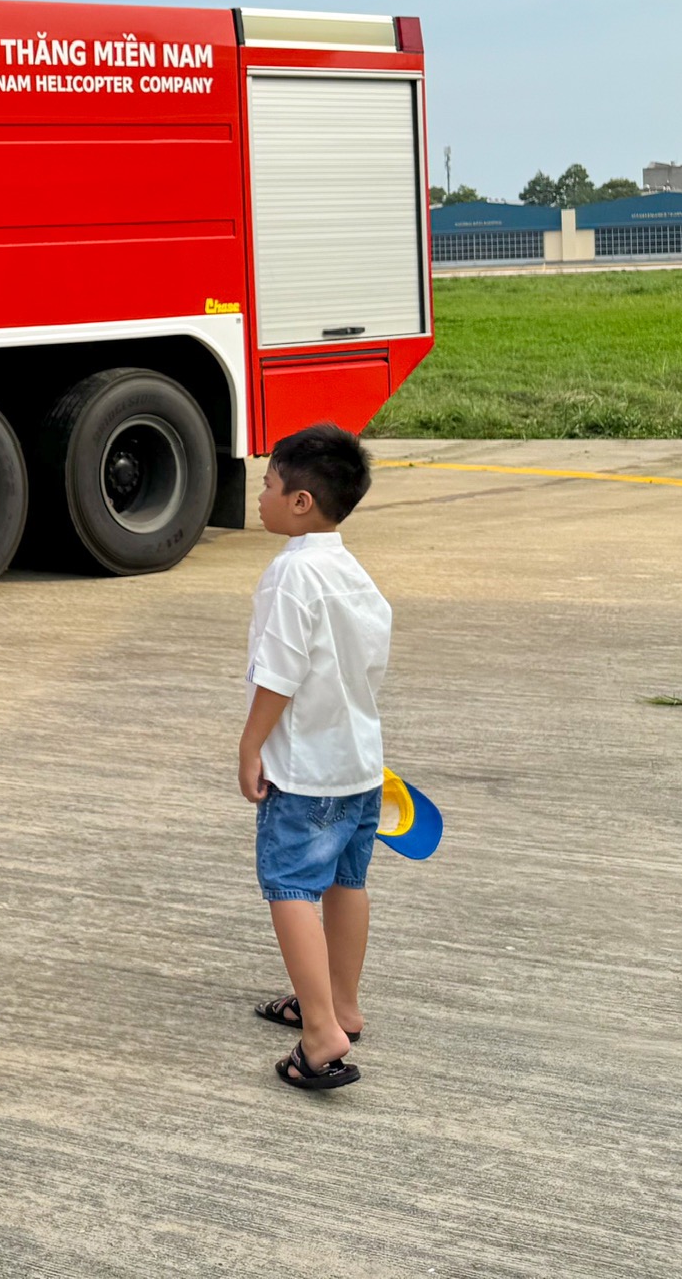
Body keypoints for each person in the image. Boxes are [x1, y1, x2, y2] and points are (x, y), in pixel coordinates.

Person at [240, 423, 390, 1092]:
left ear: (302, 501)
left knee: (291, 888)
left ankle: (321, 1033)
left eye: (269, 484)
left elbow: (280, 671)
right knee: (346, 884)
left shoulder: (292, 572)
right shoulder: (355, 574)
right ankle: (343, 1005)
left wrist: (251, 745)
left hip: (304, 773)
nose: (261, 495)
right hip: (359, 766)